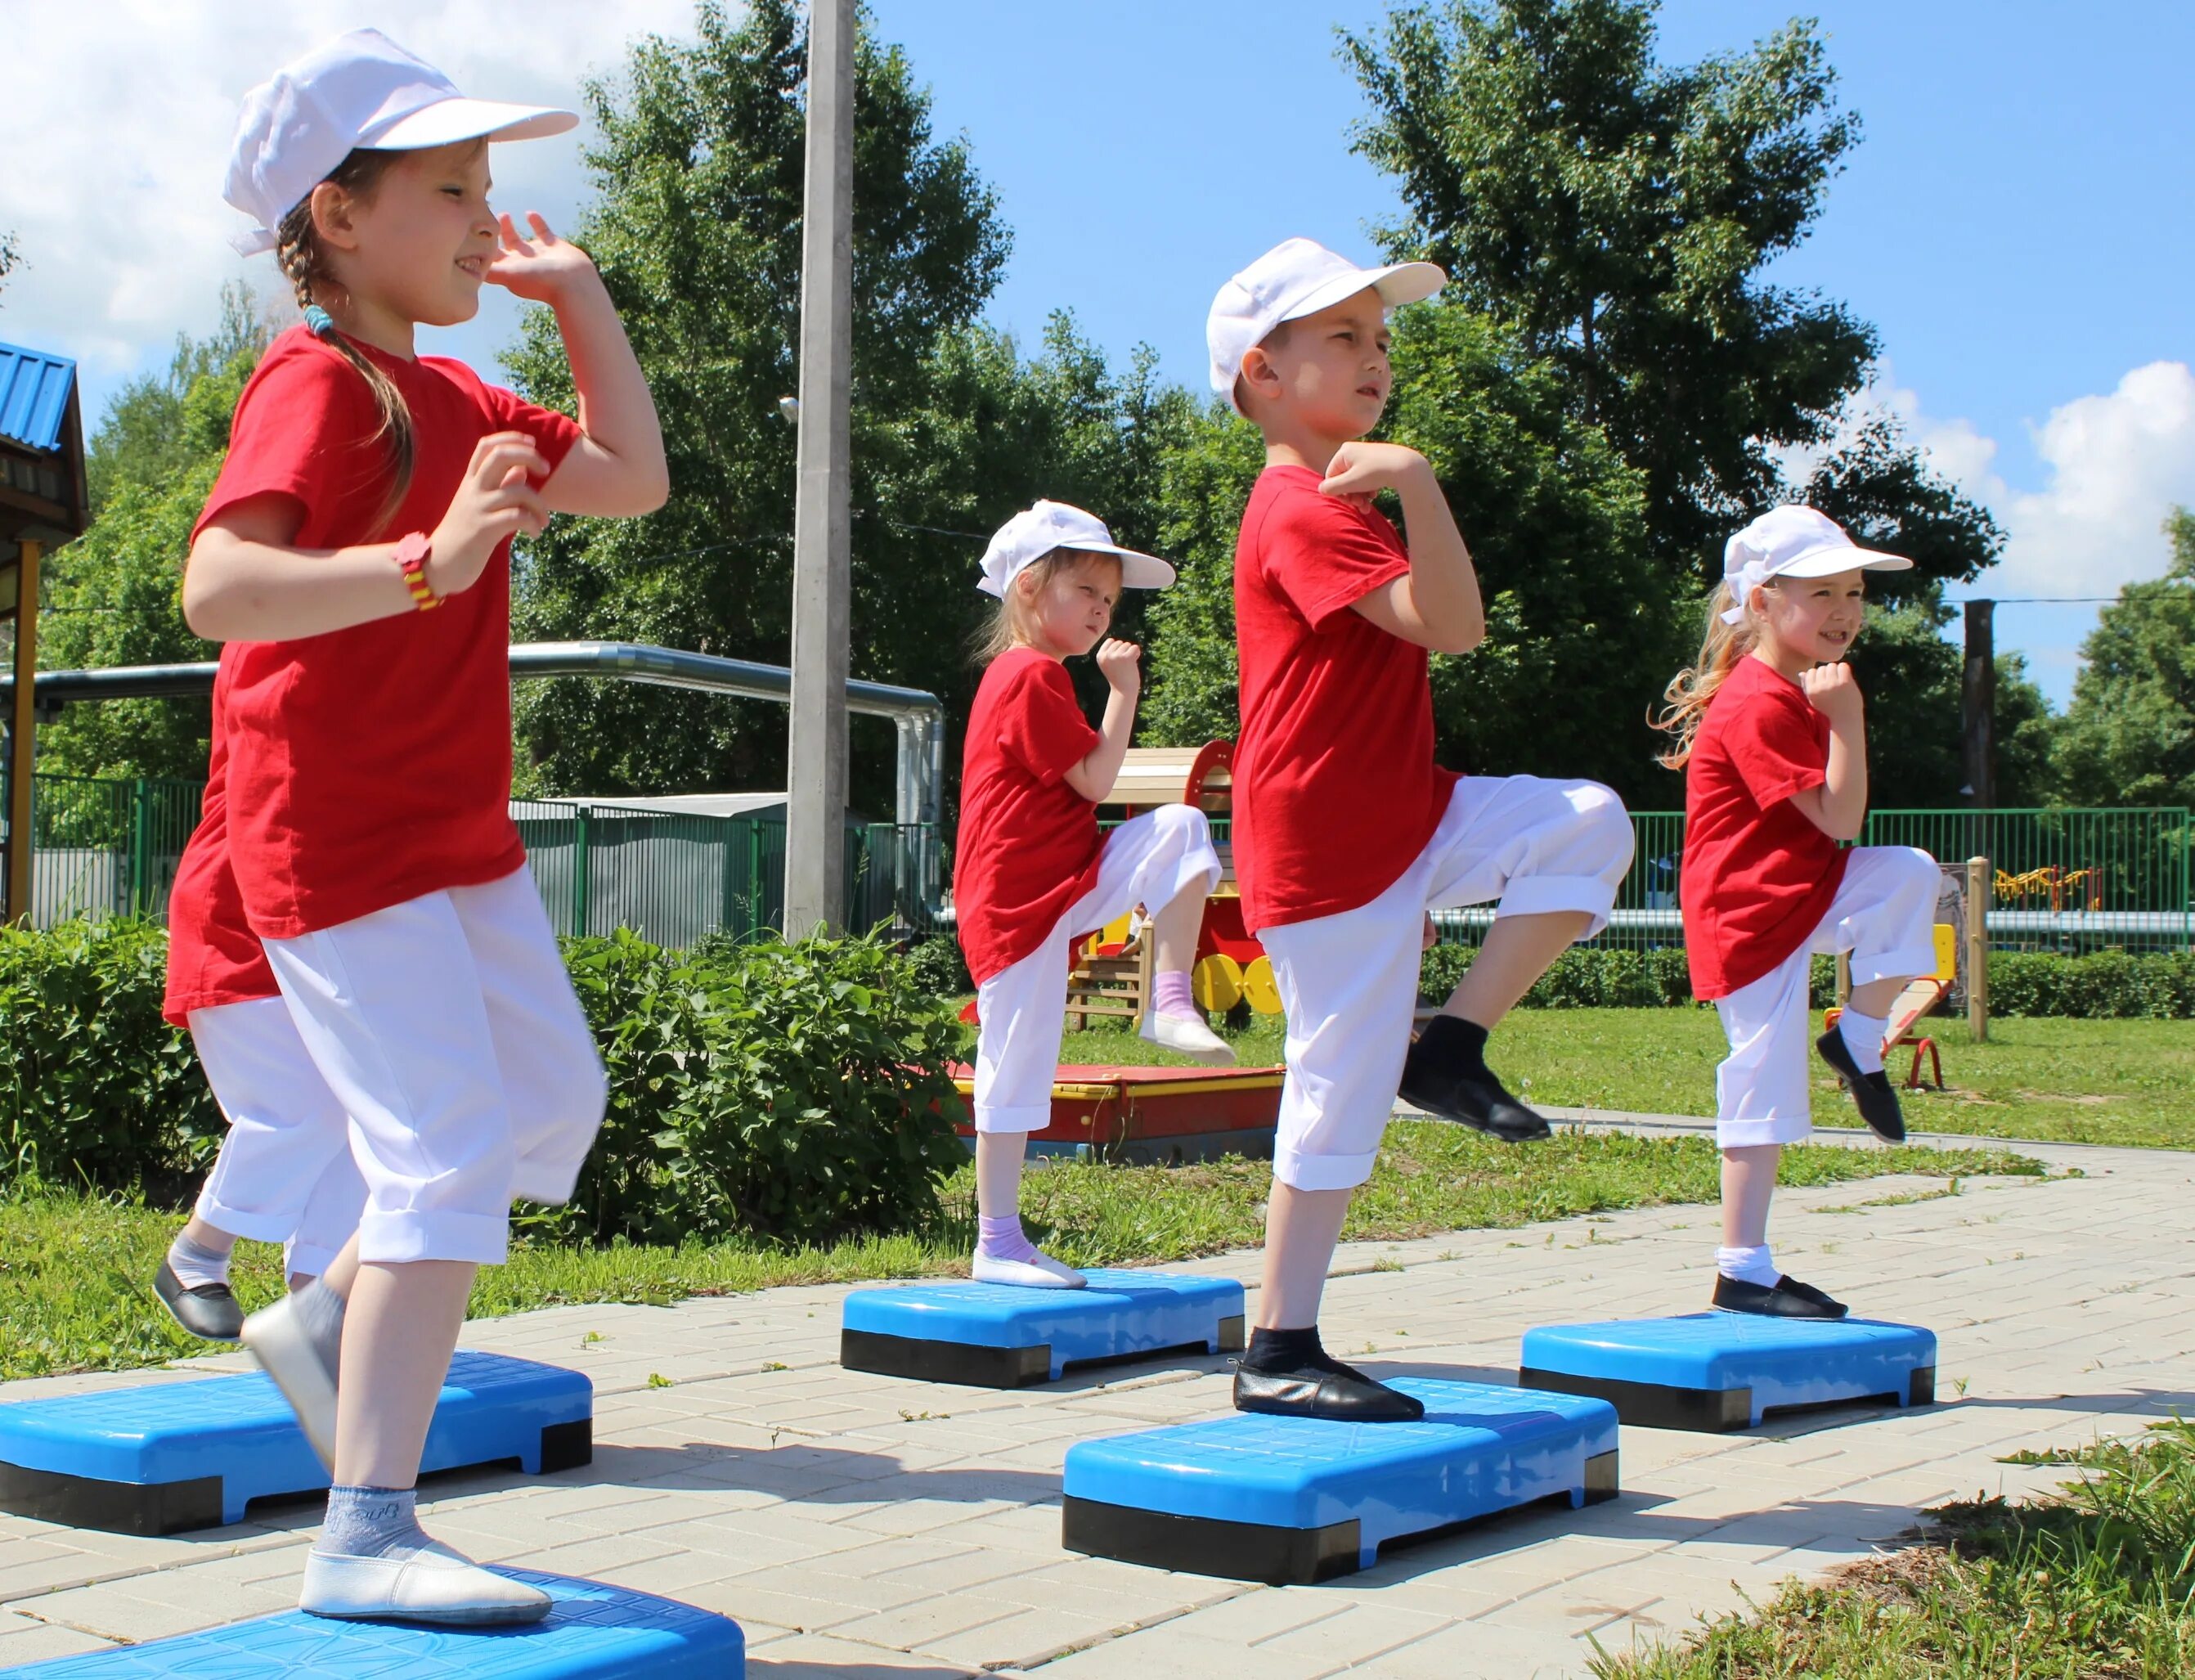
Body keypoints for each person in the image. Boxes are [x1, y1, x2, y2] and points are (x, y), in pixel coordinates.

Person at [185, 29, 666, 1624]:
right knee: (444, 1155)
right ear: (336, 215)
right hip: (334, 836)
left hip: (454, 831)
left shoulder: (455, 388)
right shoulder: (318, 381)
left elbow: (630, 480)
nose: (483, 218)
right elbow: (220, 587)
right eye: (450, 189)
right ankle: (366, 1528)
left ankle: (328, 1322)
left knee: (550, 1102)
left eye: (490, 188)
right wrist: (419, 563)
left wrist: (580, 296)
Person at [1209, 238, 1635, 1422]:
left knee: (1588, 824)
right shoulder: (1296, 504)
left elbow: (1453, 619)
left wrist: (1419, 485)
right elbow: (1450, 629)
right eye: (1343, 336)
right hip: (1328, 839)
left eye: (1381, 339)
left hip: (1411, 805)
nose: (1376, 358)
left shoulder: (1343, 501)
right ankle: (1280, 1344)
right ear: (1261, 373)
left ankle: (1447, 1049)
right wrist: (1412, 485)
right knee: (1335, 1086)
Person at [1655, 505, 1939, 1319]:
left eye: (1852, 590)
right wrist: (1845, 719)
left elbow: (1839, 835)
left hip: (1802, 888)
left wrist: (1838, 714)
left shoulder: (1790, 688)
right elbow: (1841, 818)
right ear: (1759, 601)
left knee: (1908, 874)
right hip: (1749, 914)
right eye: (1820, 591)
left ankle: (1854, 1038)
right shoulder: (1757, 701)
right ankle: (1741, 1267)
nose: (1845, 609)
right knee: (1762, 1078)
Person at [957, 501, 1232, 1288]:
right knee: (1014, 1063)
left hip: (1064, 878)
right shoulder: (1029, 673)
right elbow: (1097, 778)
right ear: (1029, 589)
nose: (1101, 612)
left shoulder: (1035, 677)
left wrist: (1117, 689)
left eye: (1109, 602)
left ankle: (1168, 1001)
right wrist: (1122, 689)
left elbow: (1087, 785)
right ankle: (998, 1242)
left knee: (1182, 826)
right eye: (1086, 592)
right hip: (1017, 903)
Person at [156, 694, 366, 1341]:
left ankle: (315, 1310)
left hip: (312, 921)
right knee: (306, 1107)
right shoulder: (282, 656)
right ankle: (196, 1254)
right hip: (237, 915)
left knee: (354, 1108)